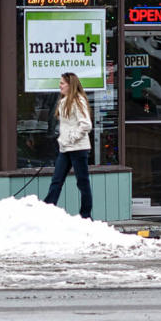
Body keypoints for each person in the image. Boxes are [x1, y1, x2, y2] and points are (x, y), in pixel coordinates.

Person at [43, 72, 94, 219]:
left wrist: (72, 137)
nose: (60, 86)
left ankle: (86, 215)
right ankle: (47, 209)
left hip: (78, 148)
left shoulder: (79, 101)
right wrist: (63, 139)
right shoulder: (64, 101)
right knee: (57, 180)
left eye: (62, 83)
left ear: (70, 85)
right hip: (65, 148)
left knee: (82, 183)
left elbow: (86, 125)